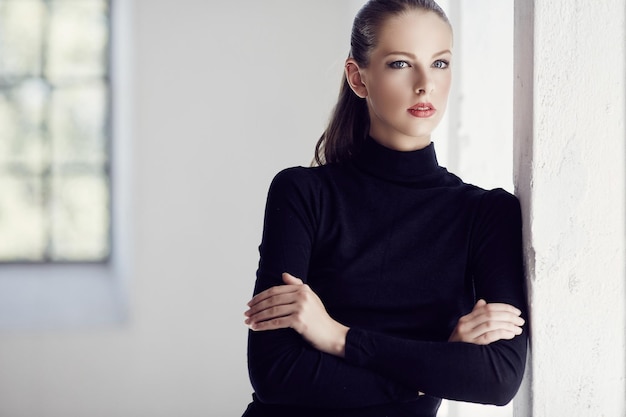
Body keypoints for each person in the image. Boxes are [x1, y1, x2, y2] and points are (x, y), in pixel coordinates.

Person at [242, 1, 527, 416]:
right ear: (359, 79)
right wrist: (435, 367)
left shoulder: (486, 214)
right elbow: (276, 373)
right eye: (400, 64)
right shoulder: (302, 193)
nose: (425, 84)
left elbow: (498, 379)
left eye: (440, 63)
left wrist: (338, 337)